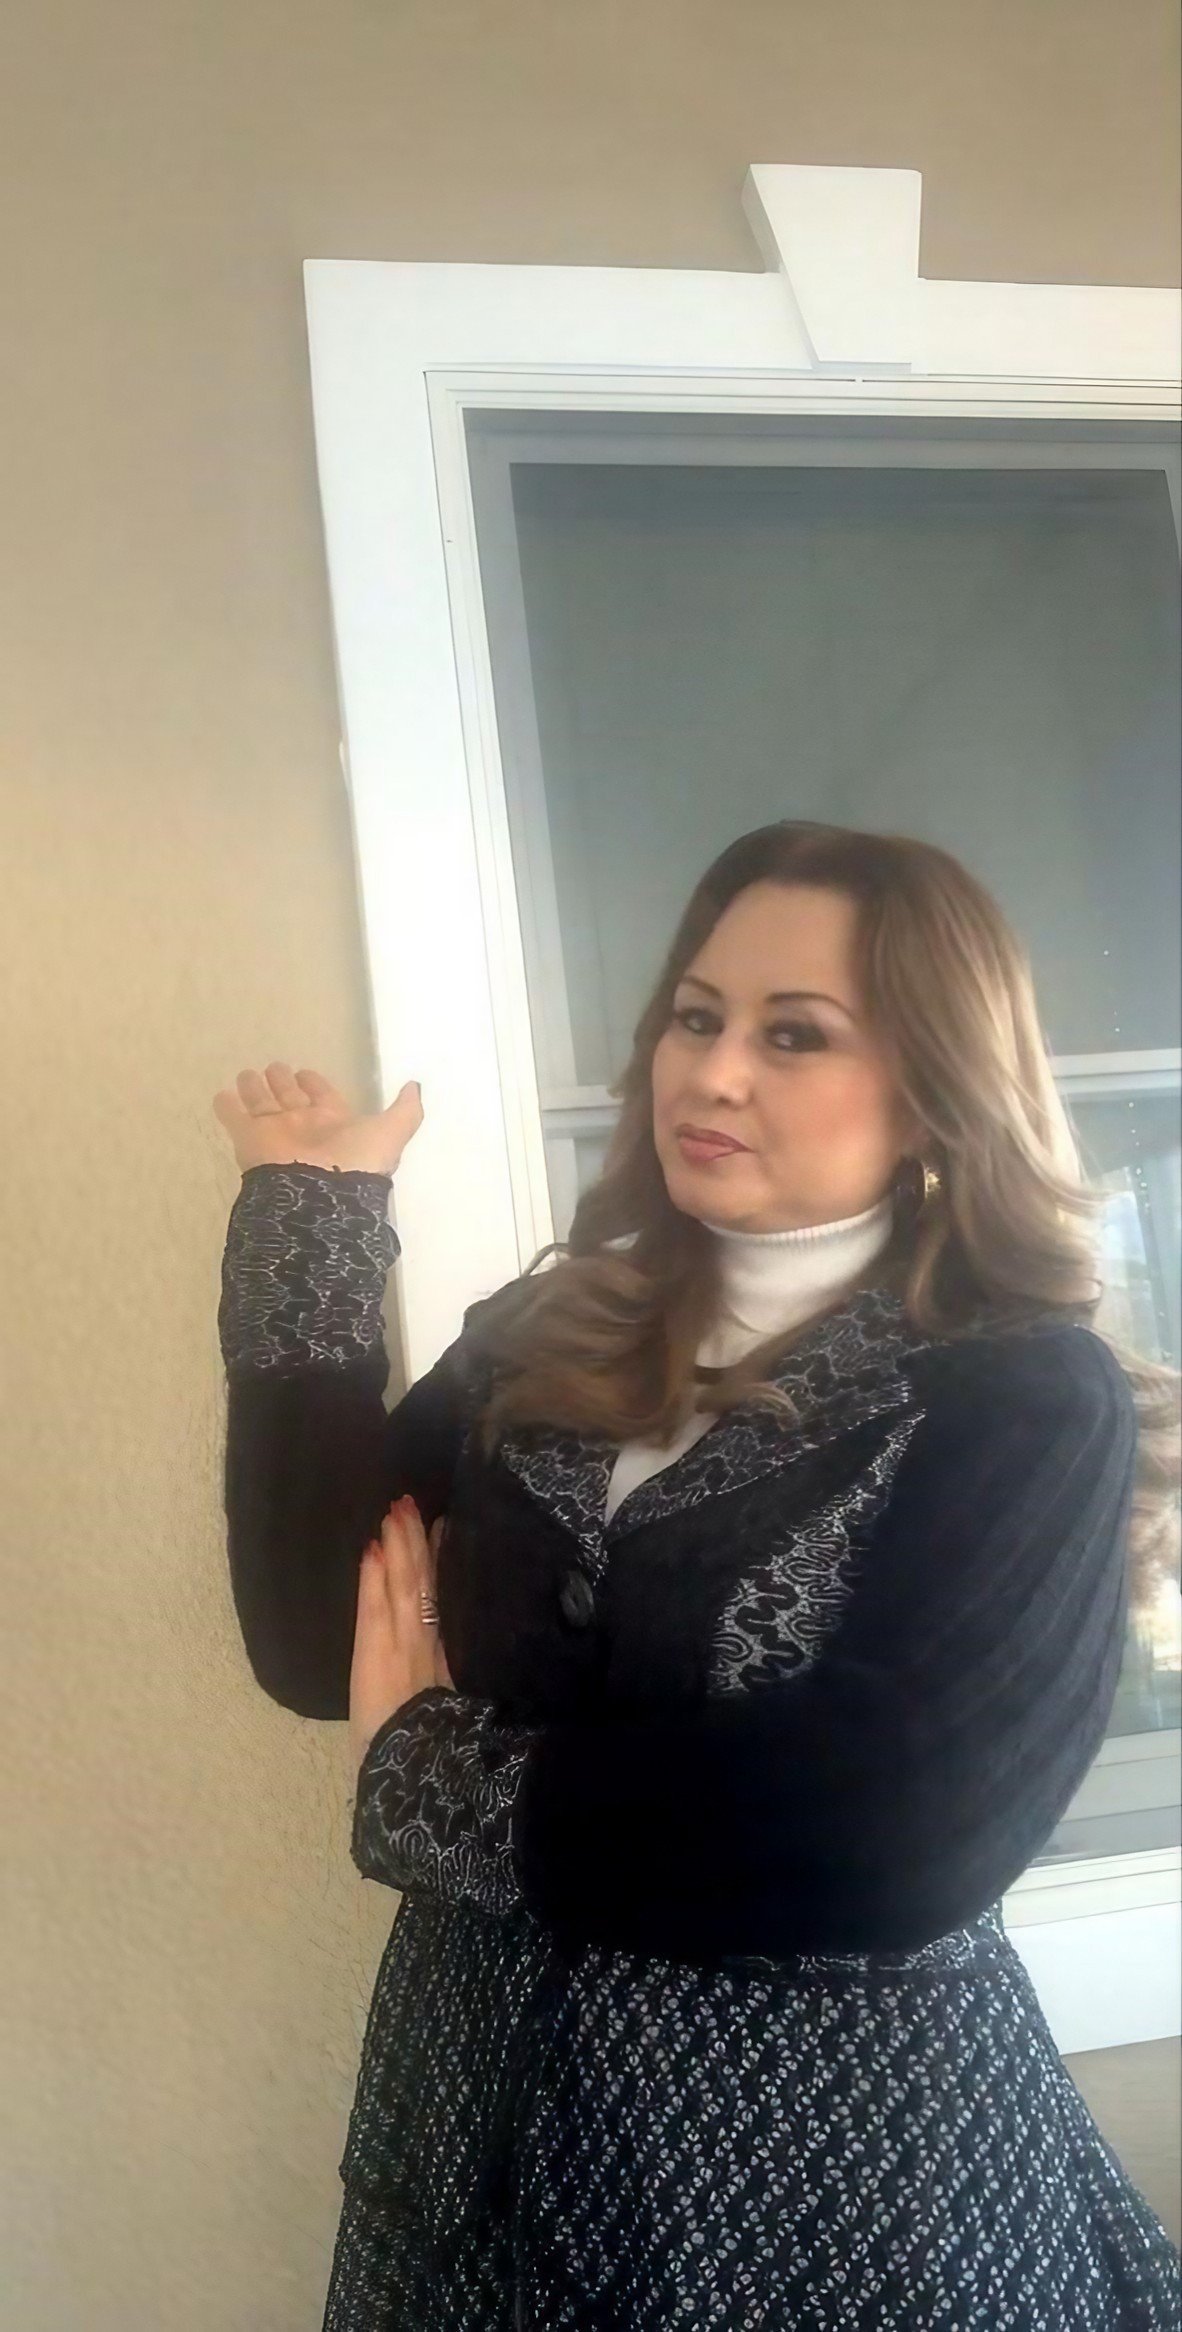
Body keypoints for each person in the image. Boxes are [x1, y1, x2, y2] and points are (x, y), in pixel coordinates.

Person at [212, 820, 1182, 2331]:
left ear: (932, 1091)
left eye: (794, 1034)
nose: (713, 1073)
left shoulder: (1014, 1391)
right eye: (696, 1016)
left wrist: (430, 1772)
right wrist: (311, 1221)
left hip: (831, 2177)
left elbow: (894, 1827)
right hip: (485, 2118)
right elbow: (309, 1635)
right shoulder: (540, 1335)